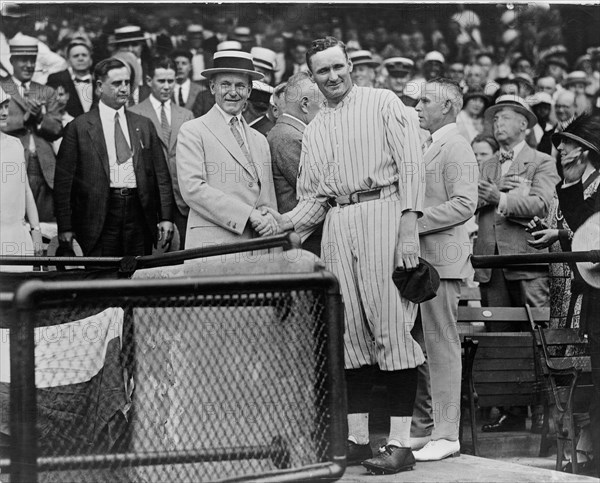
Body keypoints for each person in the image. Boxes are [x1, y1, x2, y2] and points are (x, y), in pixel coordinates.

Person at [267, 37, 425, 475]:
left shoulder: (383, 101)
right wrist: (286, 222)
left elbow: (412, 164)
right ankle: (357, 440)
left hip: (384, 213)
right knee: (350, 335)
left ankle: (400, 444)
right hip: (338, 222)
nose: (332, 77)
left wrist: (409, 226)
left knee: (392, 330)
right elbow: (314, 199)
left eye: (338, 67)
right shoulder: (315, 127)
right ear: (312, 77)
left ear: (350, 64)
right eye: (323, 71)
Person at [474, 94, 560, 432]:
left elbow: (541, 204)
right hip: (491, 262)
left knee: (536, 334)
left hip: (527, 260)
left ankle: (545, 411)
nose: (497, 124)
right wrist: (495, 191)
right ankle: (511, 409)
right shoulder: (486, 164)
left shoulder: (542, 161)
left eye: (505, 118)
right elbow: (467, 202)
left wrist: (500, 198)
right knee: (499, 337)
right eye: (494, 119)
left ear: (524, 124)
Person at [410, 78, 479, 461]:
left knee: (442, 346)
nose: (418, 108)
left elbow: (464, 203)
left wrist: (411, 222)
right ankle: (427, 430)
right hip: (423, 262)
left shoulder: (455, 145)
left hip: (442, 263)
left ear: (449, 107)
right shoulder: (432, 143)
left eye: (425, 102)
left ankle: (447, 434)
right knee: (422, 347)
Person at [532, 114, 600, 476]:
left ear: (586, 151)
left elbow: (592, 234)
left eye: (568, 144)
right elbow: (583, 232)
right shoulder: (575, 185)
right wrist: (558, 234)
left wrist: (563, 232)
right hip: (590, 293)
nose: (560, 150)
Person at [54, 58, 174, 256]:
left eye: (127, 83)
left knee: (137, 275)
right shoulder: (79, 127)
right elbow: (64, 183)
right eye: (117, 83)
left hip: (139, 213)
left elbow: (161, 175)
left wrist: (166, 217)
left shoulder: (143, 125)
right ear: (100, 86)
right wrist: (65, 226)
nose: (124, 88)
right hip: (99, 215)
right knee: (102, 277)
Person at [176, 51, 278, 249]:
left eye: (240, 86)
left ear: (249, 91)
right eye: (225, 85)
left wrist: (269, 224)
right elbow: (193, 189)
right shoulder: (192, 131)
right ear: (212, 88)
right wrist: (249, 215)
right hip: (213, 248)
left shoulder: (259, 140)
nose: (233, 92)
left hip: (257, 247)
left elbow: (268, 198)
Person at [129, 56, 194, 250]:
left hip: (182, 199)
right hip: (150, 199)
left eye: (171, 81)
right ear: (149, 81)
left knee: (183, 253)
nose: (167, 87)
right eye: (161, 81)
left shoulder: (186, 114)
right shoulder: (134, 114)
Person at [0, 37, 63, 223]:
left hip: (45, 167)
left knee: (45, 223)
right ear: (11, 61)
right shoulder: (2, 86)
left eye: (32, 60)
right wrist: (26, 118)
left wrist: (40, 118)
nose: (29, 65)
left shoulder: (46, 91)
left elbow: (57, 129)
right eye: (23, 60)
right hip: (10, 162)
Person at [267, 71, 324, 256]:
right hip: (304, 241)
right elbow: (317, 191)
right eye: (323, 103)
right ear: (305, 104)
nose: (326, 109)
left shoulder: (289, 133)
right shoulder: (289, 138)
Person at [0, 85, 43, 272]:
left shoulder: (15, 145)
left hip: (17, 236)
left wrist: (36, 230)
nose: (3, 112)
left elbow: (25, 189)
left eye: (5, 106)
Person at [46, 38, 95, 119]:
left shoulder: (100, 80)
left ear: (91, 59)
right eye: (76, 56)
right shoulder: (57, 79)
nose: (80, 59)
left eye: (84, 55)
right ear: (68, 61)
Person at [110, 25, 149, 105]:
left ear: (142, 46)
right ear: (118, 48)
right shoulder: (109, 72)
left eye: (135, 45)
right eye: (125, 45)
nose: (130, 49)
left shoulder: (151, 70)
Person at [171, 49, 206, 118]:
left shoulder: (201, 90)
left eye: (184, 63)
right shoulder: (167, 89)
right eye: (176, 63)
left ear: (190, 67)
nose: (179, 67)